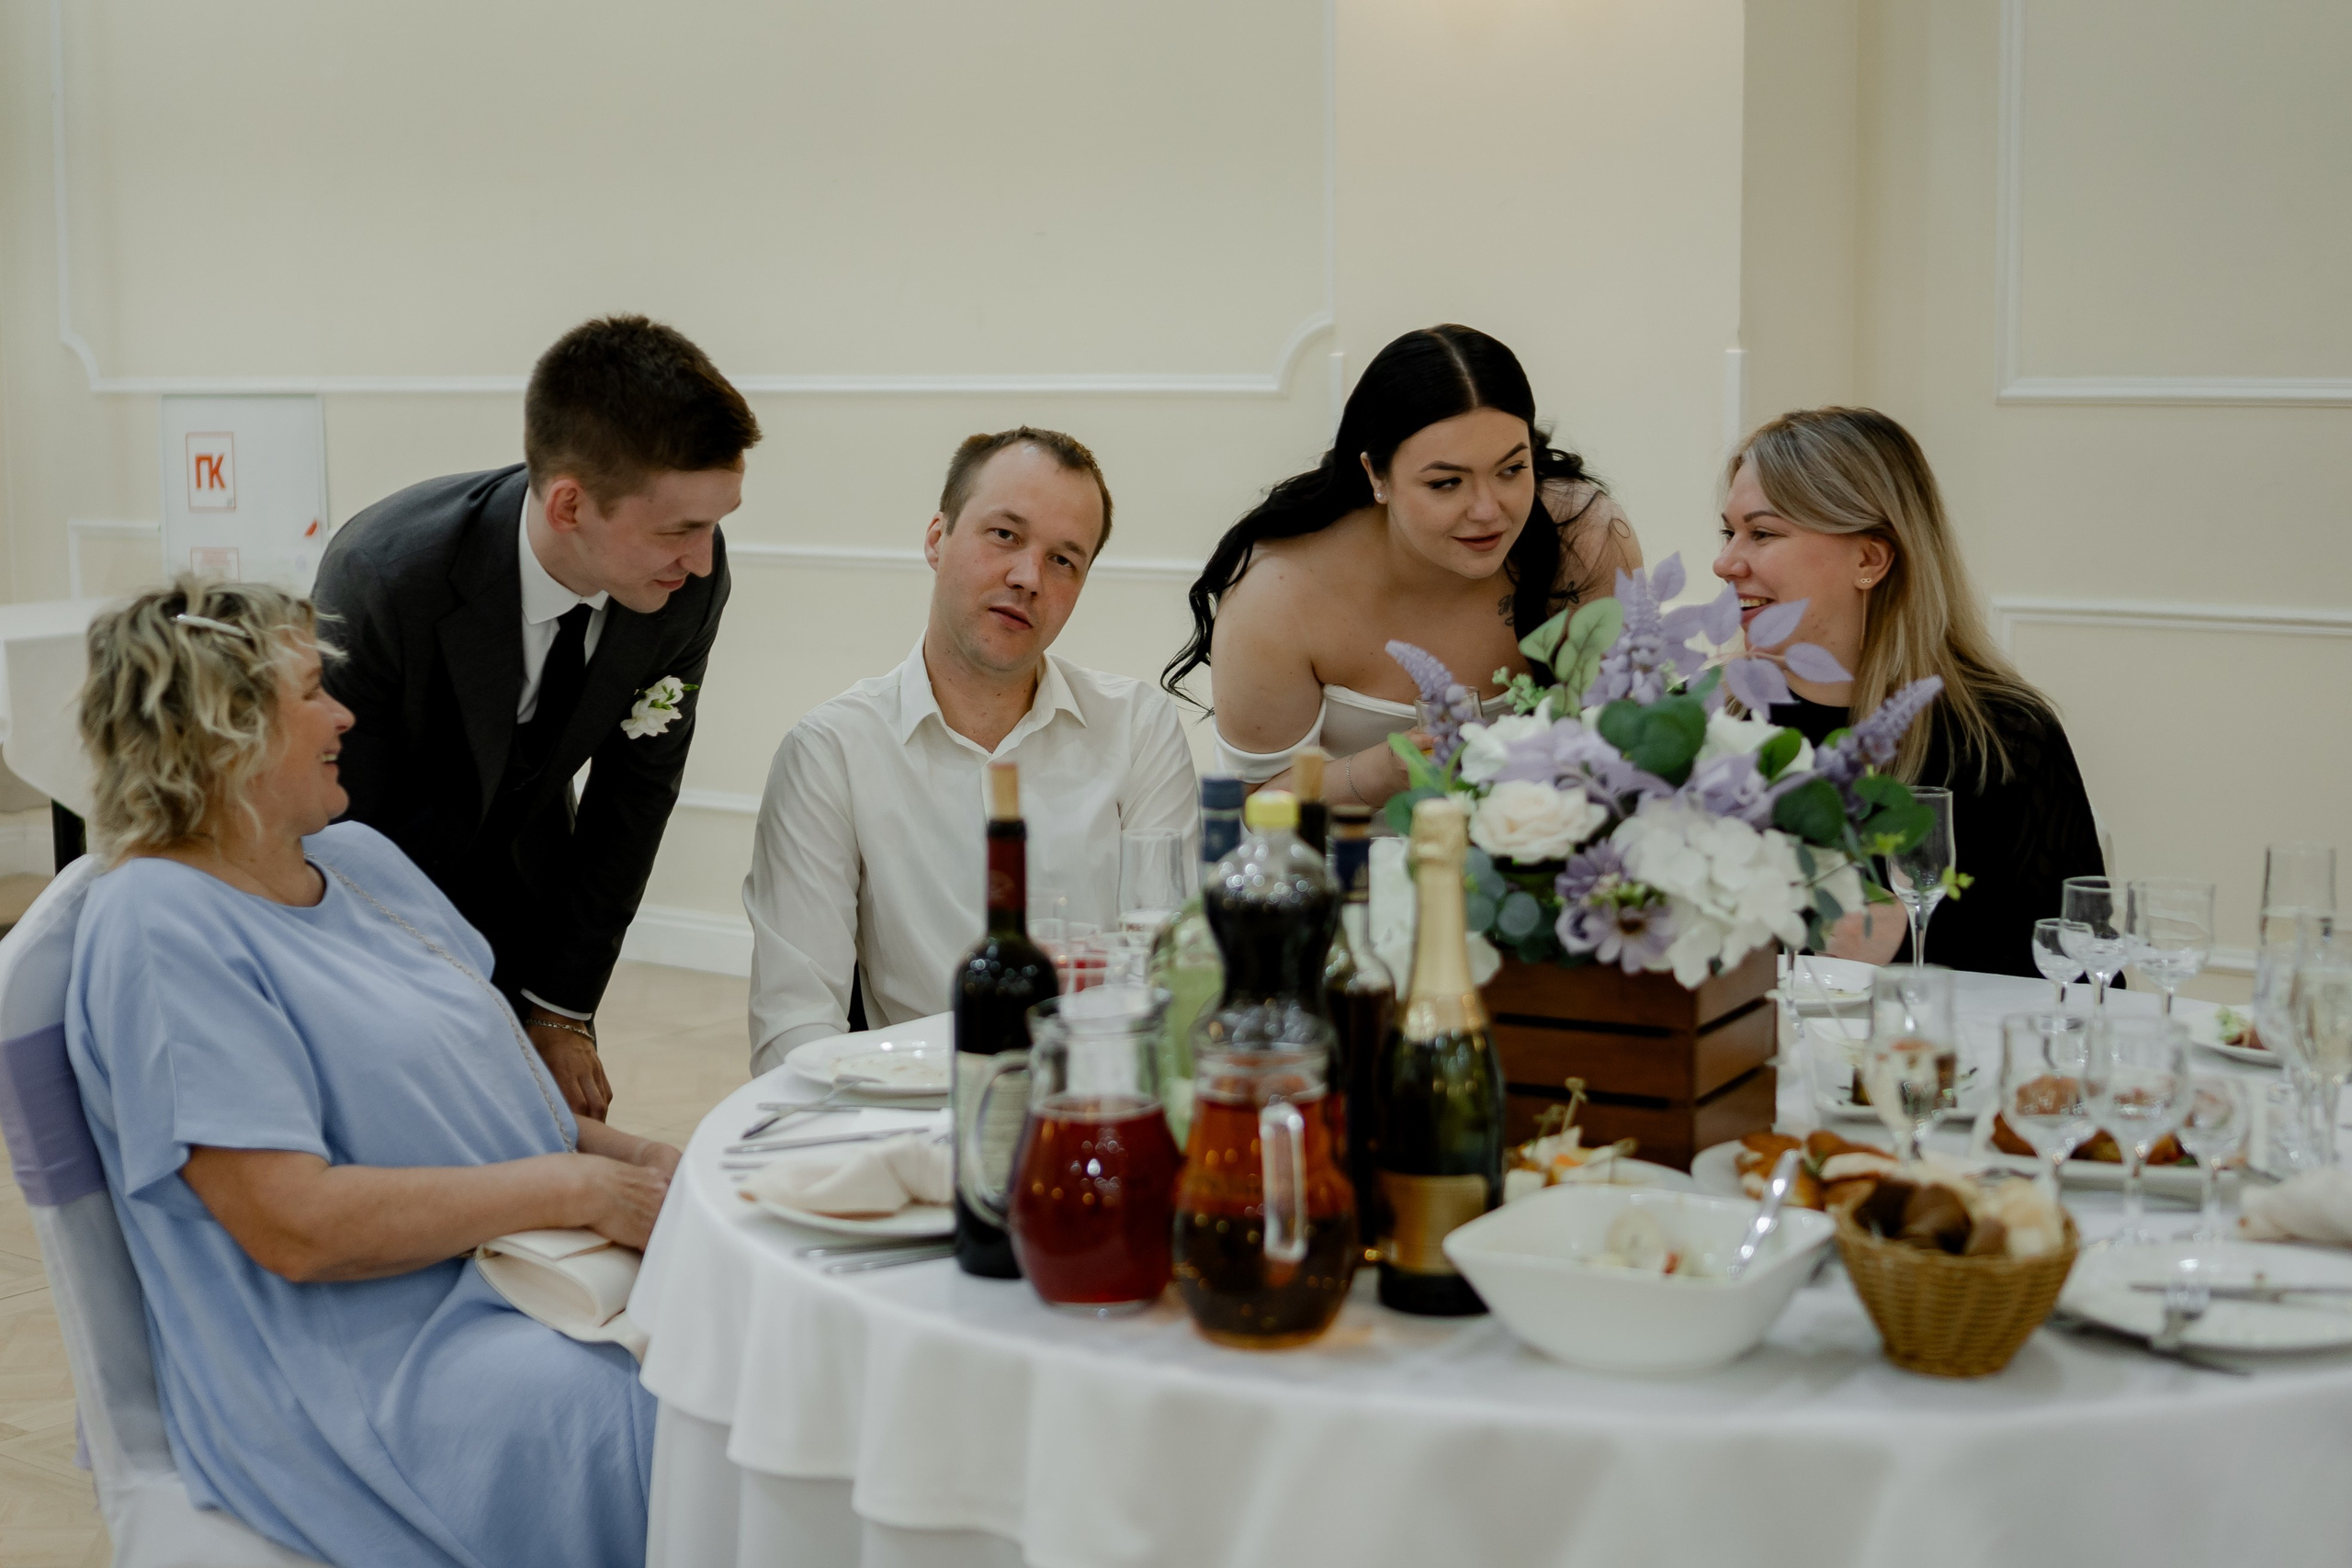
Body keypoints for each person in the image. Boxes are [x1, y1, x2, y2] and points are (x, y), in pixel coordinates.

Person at [65, 580, 676, 1568]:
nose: (344, 715)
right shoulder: (159, 926)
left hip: (520, 1269)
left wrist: (642, 1161)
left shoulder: (357, 858)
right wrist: (577, 1190)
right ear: (224, 732)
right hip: (353, 1366)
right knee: (651, 1411)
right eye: (312, 691)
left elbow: (496, 1096)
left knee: (764, 1339)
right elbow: (294, 1226)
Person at [314, 314, 759, 1119]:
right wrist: (438, 1021)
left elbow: (633, 799)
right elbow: (343, 828)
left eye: (717, 522)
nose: (702, 559)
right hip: (376, 898)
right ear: (569, 505)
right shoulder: (387, 578)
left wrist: (559, 1010)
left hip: (532, 882)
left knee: (545, 1120)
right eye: (680, 528)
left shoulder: (683, 585)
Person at [744, 427, 1197, 1074]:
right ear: (937, 538)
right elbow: (795, 1032)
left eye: (1063, 560)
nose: (1028, 577)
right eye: (1005, 535)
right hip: (913, 1102)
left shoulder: (1138, 729)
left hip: (1097, 1092)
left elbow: (1168, 977)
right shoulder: (831, 752)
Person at [1164, 323, 1640, 807]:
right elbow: (1254, 803)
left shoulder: (1584, 538)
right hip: (1345, 851)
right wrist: (1381, 771)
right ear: (1376, 474)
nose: (1487, 510)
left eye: (1511, 470)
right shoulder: (1279, 591)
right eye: (1446, 483)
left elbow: (1629, 743)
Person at [1713, 406, 2104, 976]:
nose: (1724, 562)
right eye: (1729, 533)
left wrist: (1915, 940)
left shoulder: (2004, 739)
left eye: (1763, 533)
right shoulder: (1705, 725)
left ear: (1870, 558)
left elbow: (2094, 975)